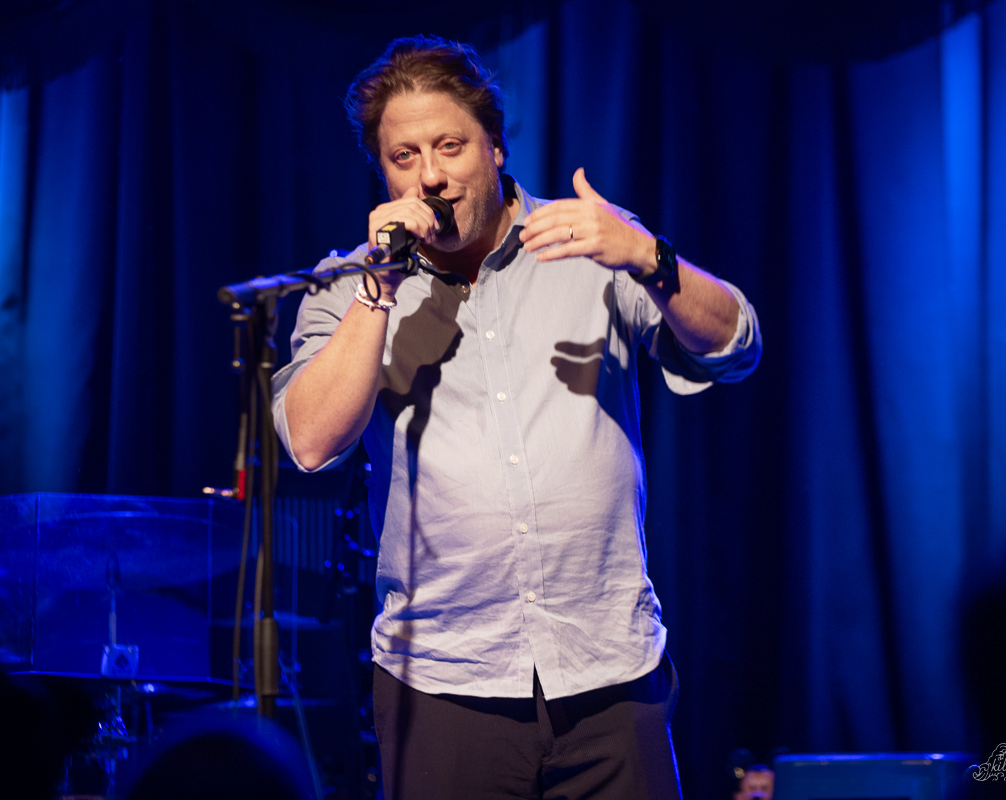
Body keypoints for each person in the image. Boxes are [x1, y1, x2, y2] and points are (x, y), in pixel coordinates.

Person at [272, 35, 761, 799]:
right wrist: (378, 291)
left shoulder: (591, 243)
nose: (430, 175)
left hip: (608, 668)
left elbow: (737, 345)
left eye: (450, 146)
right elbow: (309, 443)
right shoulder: (344, 286)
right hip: (443, 680)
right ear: (382, 172)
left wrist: (648, 257)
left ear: (495, 147)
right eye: (404, 157)